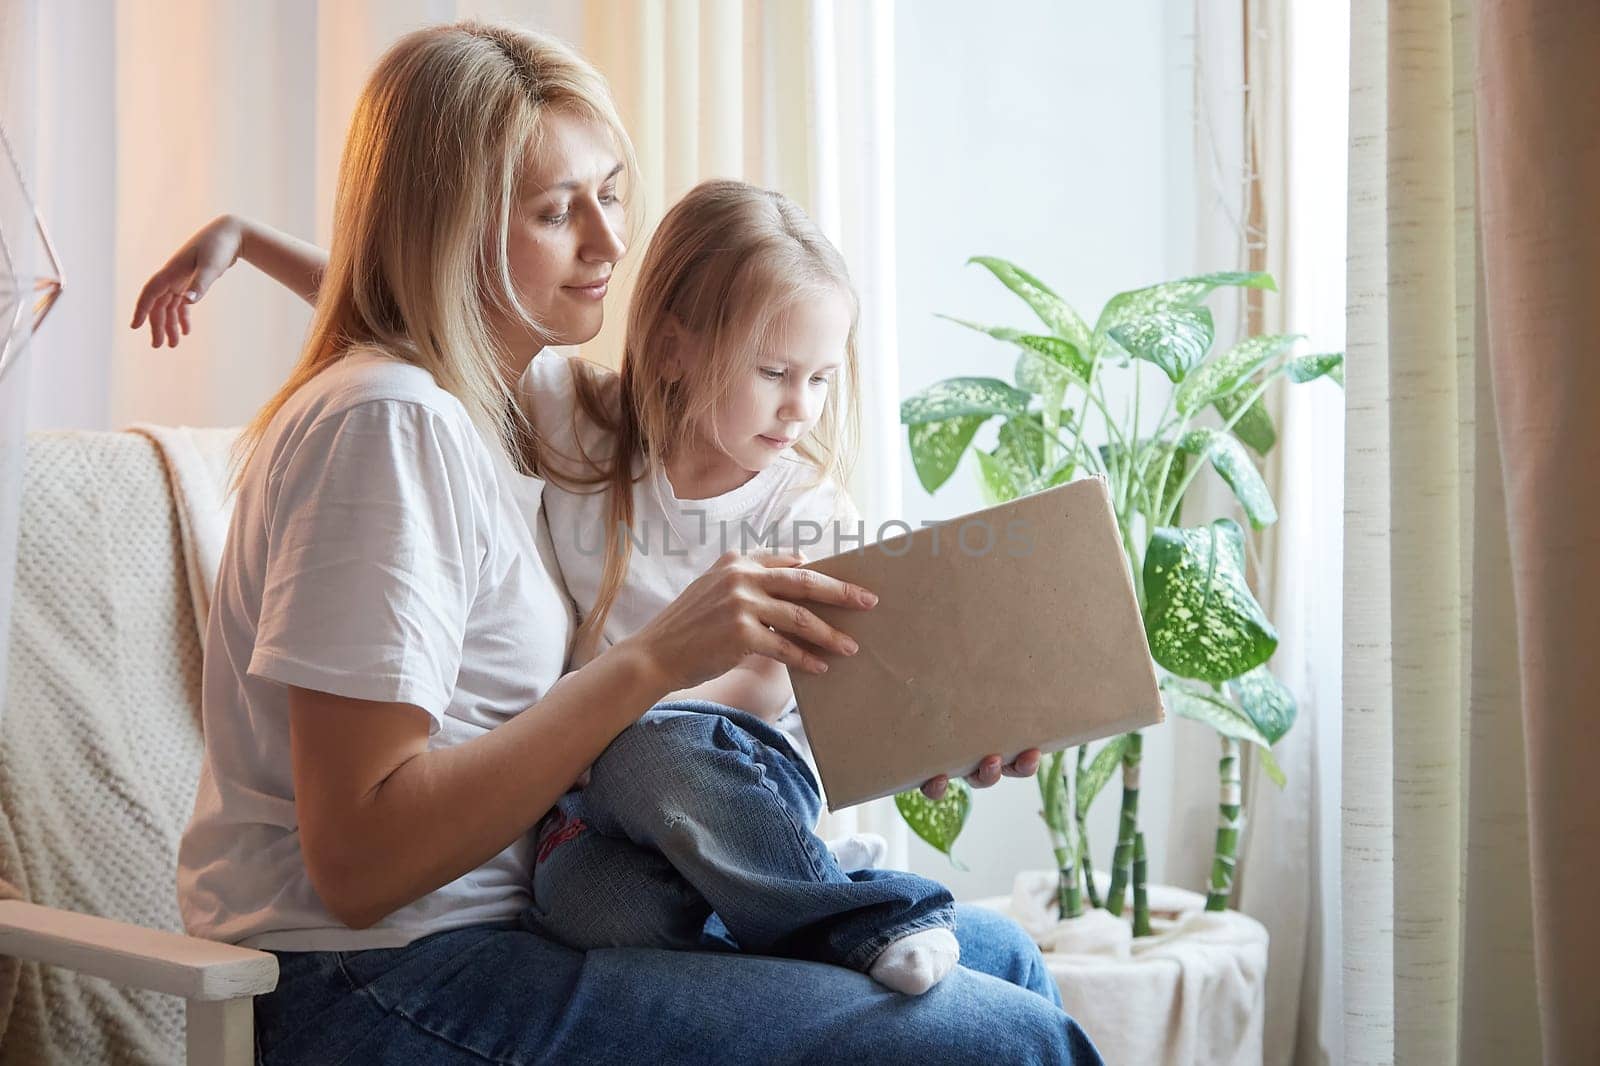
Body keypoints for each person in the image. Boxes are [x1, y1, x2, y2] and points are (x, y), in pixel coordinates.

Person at [132, 20, 1102, 1064]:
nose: (607, 244)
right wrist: (650, 663)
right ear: (447, 232)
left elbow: (391, 294)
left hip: (511, 922)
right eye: (556, 211)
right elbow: (359, 863)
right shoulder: (388, 423)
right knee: (1008, 1043)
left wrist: (936, 724)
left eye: (609, 194)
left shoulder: (492, 408)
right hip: (380, 973)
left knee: (1002, 958)